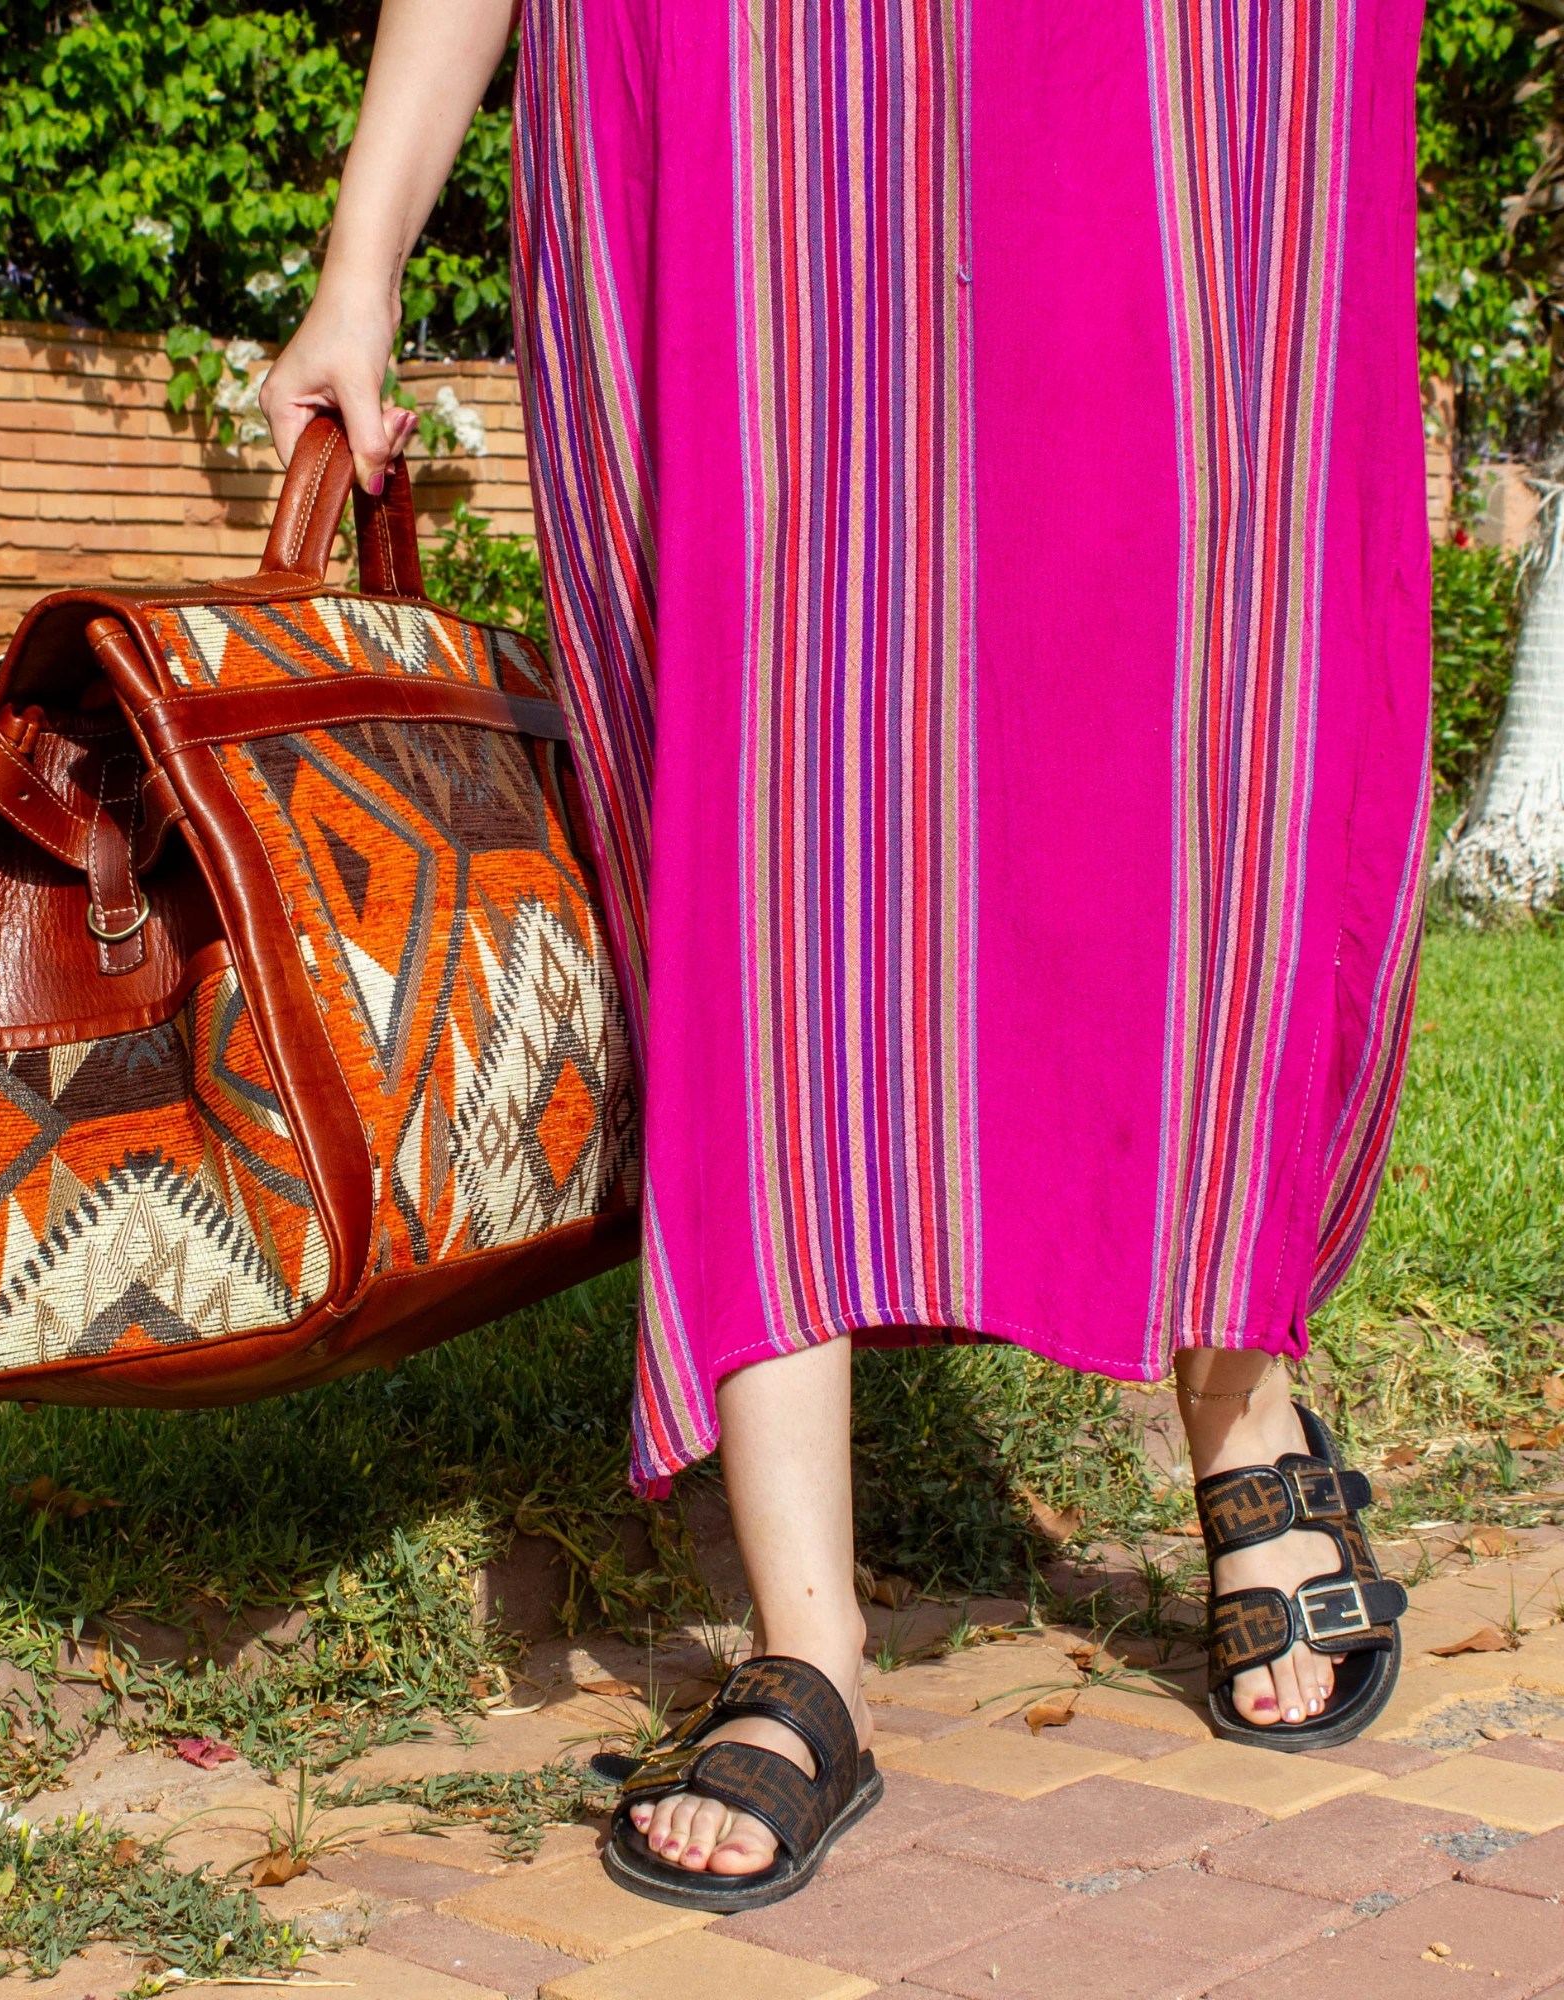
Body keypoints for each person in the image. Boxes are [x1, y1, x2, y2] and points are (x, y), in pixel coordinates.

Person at [262, 0, 1428, 1910]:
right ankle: (807, 1634)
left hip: (1138, 61)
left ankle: (1246, 1418)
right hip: (753, 84)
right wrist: (363, 258)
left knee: (1187, 697)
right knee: (766, 794)